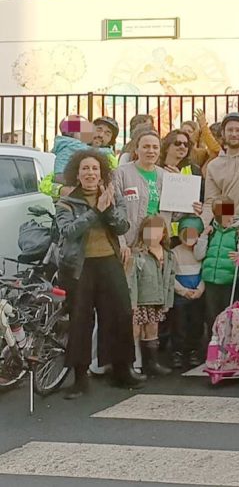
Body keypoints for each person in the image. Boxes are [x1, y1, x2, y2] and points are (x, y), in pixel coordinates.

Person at [56, 150, 143, 398]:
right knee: (81, 320)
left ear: (101, 172)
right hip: (79, 268)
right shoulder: (66, 201)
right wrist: (95, 211)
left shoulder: (112, 197)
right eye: (85, 169)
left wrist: (107, 208)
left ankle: (121, 370)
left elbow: (123, 227)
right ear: (77, 173)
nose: (90, 173)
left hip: (108, 262)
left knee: (120, 314)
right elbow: (68, 232)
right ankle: (80, 378)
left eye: (94, 169)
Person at [114, 130, 184, 259]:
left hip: (158, 245)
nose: (150, 151)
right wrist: (121, 243)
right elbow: (113, 212)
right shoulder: (121, 173)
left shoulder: (166, 177)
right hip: (130, 247)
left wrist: (190, 205)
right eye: (146, 147)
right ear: (136, 150)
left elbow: (175, 215)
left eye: (155, 147)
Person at [127, 215, 177, 377]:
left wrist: (168, 302)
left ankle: (152, 363)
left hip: (157, 300)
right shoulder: (138, 254)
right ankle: (132, 364)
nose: (154, 235)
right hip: (140, 300)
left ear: (163, 233)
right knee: (134, 330)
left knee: (152, 330)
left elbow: (170, 280)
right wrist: (132, 303)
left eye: (158, 231)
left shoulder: (169, 255)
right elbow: (131, 280)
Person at [195, 197, 239, 332]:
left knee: (231, 319)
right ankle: (213, 348)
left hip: (230, 282)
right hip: (210, 281)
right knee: (211, 318)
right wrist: (203, 235)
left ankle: (229, 349)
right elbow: (198, 255)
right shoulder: (211, 229)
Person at [169, 216, 205, 370]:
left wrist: (199, 290)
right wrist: (183, 292)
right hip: (180, 298)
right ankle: (177, 351)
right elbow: (170, 277)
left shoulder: (201, 254)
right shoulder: (174, 253)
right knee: (179, 325)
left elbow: (204, 274)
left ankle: (193, 351)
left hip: (197, 296)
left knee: (196, 325)